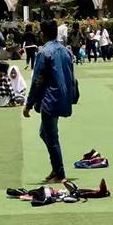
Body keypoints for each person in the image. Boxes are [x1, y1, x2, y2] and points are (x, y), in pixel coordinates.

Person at [23, 20, 76, 183]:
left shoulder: (44, 52)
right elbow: (71, 76)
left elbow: (37, 80)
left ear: (42, 33)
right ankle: (55, 166)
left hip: (50, 99)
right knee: (44, 133)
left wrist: (28, 104)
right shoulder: (66, 51)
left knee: (51, 137)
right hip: (63, 97)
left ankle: (60, 173)